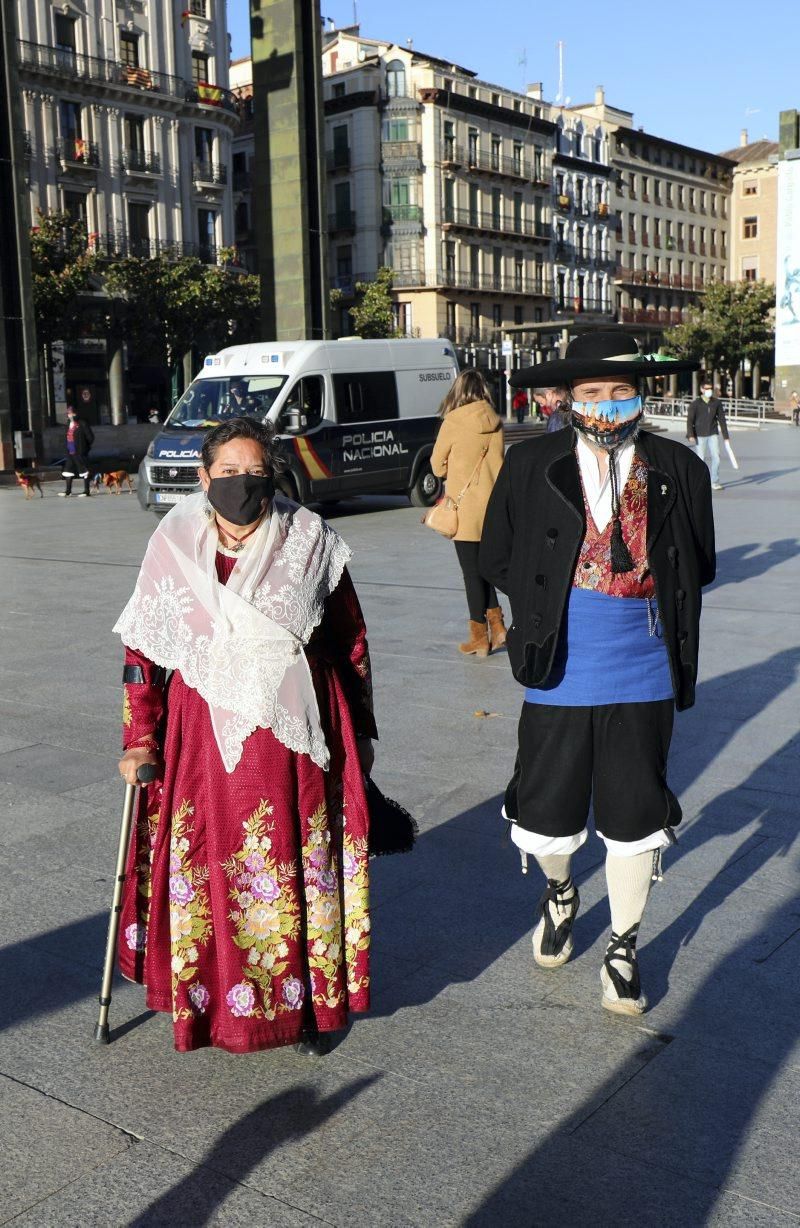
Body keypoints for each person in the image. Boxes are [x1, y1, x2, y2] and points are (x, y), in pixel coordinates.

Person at [114, 416, 377, 1056]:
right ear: (203, 477)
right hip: (200, 737)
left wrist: (361, 727)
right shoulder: (172, 544)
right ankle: (208, 1003)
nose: (240, 484)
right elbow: (143, 653)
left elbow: (350, 638)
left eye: (253, 471)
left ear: (272, 475)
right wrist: (139, 736)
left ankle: (304, 1007)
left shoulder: (310, 540)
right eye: (226, 472)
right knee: (206, 865)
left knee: (293, 864)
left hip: (295, 735)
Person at [480, 328, 715, 1016]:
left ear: (641, 394)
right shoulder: (531, 463)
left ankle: (623, 945)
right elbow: (497, 554)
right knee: (548, 811)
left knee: (634, 808)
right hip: (560, 660)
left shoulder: (679, 467)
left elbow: (698, 563)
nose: (607, 404)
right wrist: (546, 602)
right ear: (567, 398)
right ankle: (560, 892)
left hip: (645, 663)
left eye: (621, 391)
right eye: (592, 393)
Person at [430, 369, 508, 657]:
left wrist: (456, 468)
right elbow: (500, 465)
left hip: (464, 511)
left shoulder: (453, 422)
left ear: (458, 391)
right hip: (492, 509)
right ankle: (498, 628)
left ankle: (479, 638)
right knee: (485, 571)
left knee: (471, 574)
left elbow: (437, 466)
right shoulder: (496, 421)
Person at [687, 380, 729, 490]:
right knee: (700, 460)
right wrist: (690, 434)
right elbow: (690, 420)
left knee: (717, 458)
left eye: (710, 388)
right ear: (702, 390)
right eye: (706, 388)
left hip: (713, 433)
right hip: (700, 435)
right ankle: (700, 482)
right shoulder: (696, 404)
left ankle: (714, 481)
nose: (709, 391)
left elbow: (722, 420)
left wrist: (726, 437)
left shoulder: (716, 403)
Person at [59, 405, 94, 497]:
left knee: (84, 470)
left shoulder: (82, 423)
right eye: (69, 413)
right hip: (70, 451)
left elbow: (90, 438)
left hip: (80, 452)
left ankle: (86, 491)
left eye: (72, 413)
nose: (71, 415)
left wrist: (85, 448)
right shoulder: (68, 424)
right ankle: (68, 491)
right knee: (68, 470)